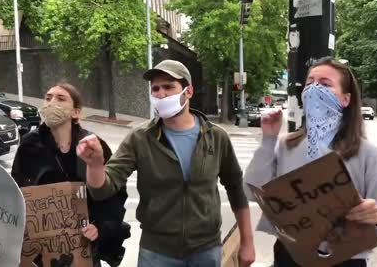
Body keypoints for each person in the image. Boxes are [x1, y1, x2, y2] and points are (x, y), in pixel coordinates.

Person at [76, 60, 256, 267]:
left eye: (169, 87)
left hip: (206, 251)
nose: (161, 94)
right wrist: (95, 165)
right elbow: (103, 189)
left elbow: (236, 188)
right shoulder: (140, 138)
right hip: (157, 253)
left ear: (188, 92)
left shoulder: (216, 137)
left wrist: (247, 241)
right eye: (155, 89)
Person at [244, 57, 377, 267]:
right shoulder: (285, 145)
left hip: (345, 259)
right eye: (310, 83)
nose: (314, 90)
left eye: (325, 84)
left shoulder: (368, 154)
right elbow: (251, 191)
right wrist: (268, 140)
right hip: (291, 258)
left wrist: (375, 216)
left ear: (345, 99)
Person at [11, 83, 130, 267]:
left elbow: (115, 194)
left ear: (76, 112)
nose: (51, 103)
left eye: (61, 98)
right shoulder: (28, 146)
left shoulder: (93, 146)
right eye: (48, 97)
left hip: (83, 246)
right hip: (41, 251)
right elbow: (16, 193)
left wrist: (101, 227)